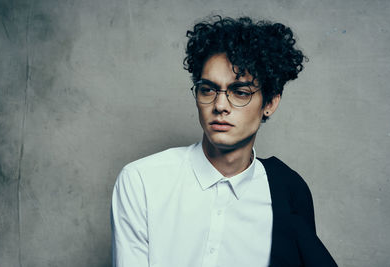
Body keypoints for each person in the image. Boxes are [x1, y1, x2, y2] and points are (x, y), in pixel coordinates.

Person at [111, 16, 337, 267]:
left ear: (270, 103)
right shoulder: (142, 180)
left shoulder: (287, 190)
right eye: (207, 89)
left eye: (240, 92)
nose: (219, 106)